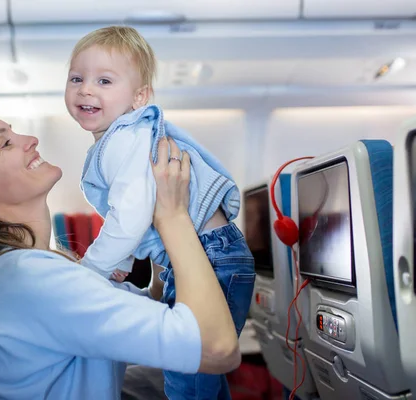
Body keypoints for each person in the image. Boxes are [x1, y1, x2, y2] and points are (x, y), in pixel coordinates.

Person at [0, 107, 242, 400]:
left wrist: (150, 227)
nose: (30, 139)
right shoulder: (26, 279)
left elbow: (155, 308)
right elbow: (216, 348)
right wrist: (173, 217)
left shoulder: (8, 275)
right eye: (6, 143)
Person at [64, 26, 256, 399]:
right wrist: (128, 257)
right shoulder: (124, 136)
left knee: (189, 375)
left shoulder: (124, 138)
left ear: (139, 97)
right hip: (211, 252)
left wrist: (93, 269)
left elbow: (132, 215)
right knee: (199, 378)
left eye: (104, 80)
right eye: (77, 78)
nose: (86, 88)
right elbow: (141, 208)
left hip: (209, 255)